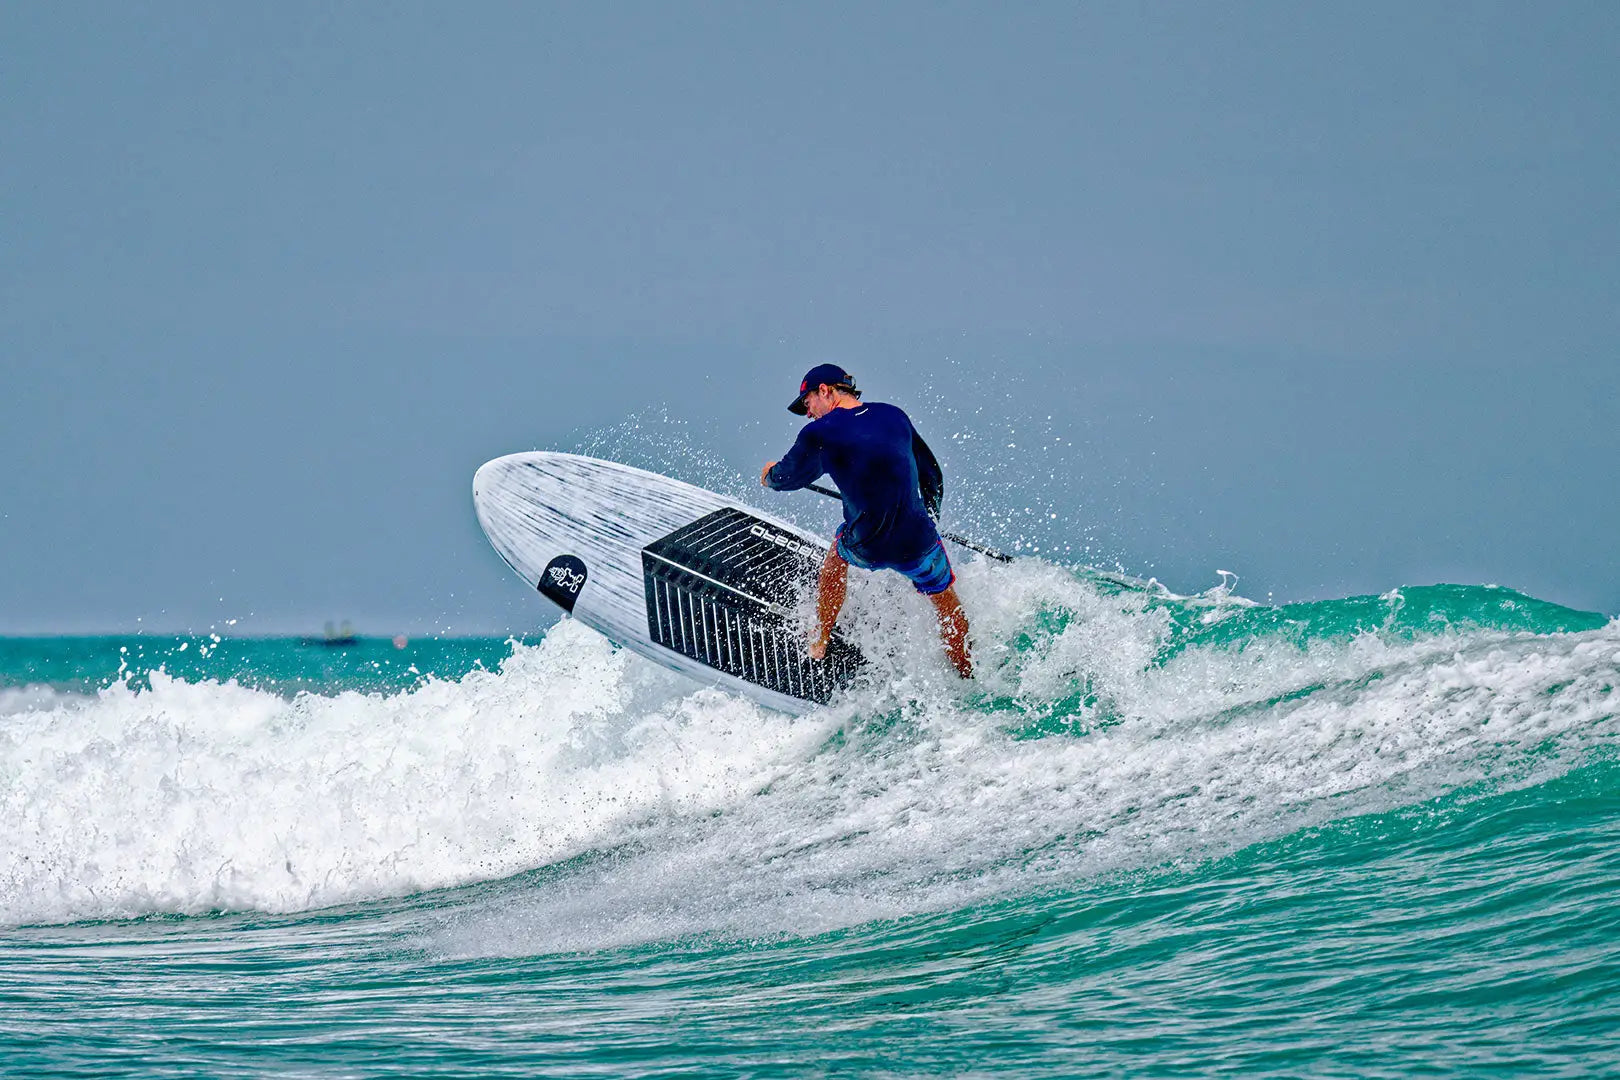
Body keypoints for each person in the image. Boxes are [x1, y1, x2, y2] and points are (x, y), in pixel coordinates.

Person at [760, 364, 973, 678]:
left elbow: (787, 478)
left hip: (868, 544)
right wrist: (930, 520)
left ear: (824, 391)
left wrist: (768, 475)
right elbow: (932, 476)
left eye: (807, 403)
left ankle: (819, 640)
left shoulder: (819, 433)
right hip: (919, 541)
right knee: (945, 599)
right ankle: (967, 671)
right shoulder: (894, 416)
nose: (808, 413)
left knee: (837, 555)